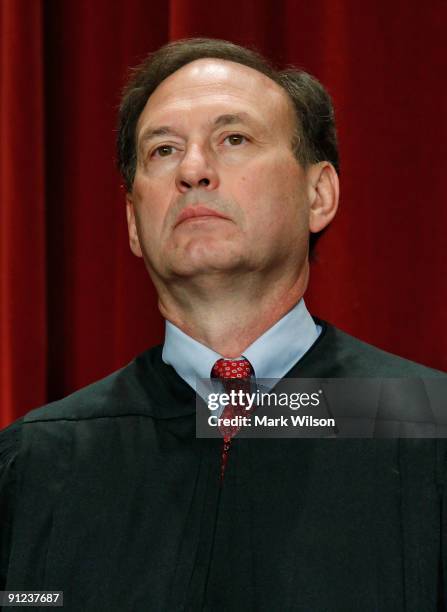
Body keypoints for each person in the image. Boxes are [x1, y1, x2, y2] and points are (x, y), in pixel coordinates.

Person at [0, 38, 446, 611]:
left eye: (234, 139)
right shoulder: (39, 462)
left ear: (319, 195)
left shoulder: (424, 431)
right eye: (163, 150)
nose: (192, 169)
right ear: (134, 222)